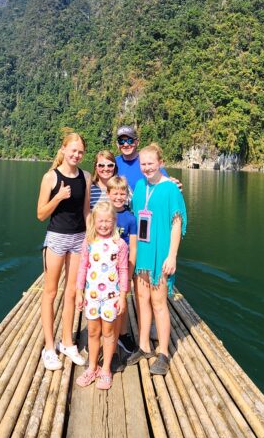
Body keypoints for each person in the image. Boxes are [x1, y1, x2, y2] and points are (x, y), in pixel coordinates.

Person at [128, 143, 187, 377]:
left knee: (159, 303)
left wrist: (172, 256)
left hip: (161, 252)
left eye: (151, 163)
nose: (146, 168)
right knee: (142, 299)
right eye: (143, 164)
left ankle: (163, 352)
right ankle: (144, 346)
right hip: (142, 251)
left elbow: (177, 223)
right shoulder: (140, 186)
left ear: (161, 163)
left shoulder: (171, 188)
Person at [37, 132, 91, 370]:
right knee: (50, 293)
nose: (76, 155)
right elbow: (40, 214)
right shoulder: (51, 177)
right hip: (57, 239)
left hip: (79, 239)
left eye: (80, 152)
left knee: (71, 292)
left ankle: (67, 342)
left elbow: (86, 210)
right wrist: (58, 197)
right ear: (63, 149)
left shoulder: (85, 177)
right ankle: (49, 347)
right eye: (73, 150)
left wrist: (90, 238)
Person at [74, 199, 129, 390]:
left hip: (111, 297)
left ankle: (106, 369)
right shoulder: (89, 242)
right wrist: (79, 292)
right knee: (93, 331)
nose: (104, 225)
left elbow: (123, 270)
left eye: (108, 221)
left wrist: (123, 296)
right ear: (94, 221)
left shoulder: (119, 244)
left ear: (114, 221)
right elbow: (82, 268)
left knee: (108, 332)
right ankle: (92, 367)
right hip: (92, 295)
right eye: (100, 221)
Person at [106, 174, 137, 357]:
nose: (118, 197)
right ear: (108, 194)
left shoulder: (131, 218)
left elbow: (133, 247)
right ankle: (105, 335)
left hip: (122, 268)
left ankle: (122, 334)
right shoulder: (102, 214)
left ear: (126, 195)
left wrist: (130, 274)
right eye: (115, 193)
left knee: (121, 301)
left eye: (122, 194)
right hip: (104, 269)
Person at [114, 125, 171, 191]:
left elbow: (165, 182)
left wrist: (173, 184)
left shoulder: (148, 161)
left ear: (137, 142)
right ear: (117, 144)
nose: (126, 144)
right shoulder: (112, 163)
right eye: (121, 141)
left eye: (130, 140)